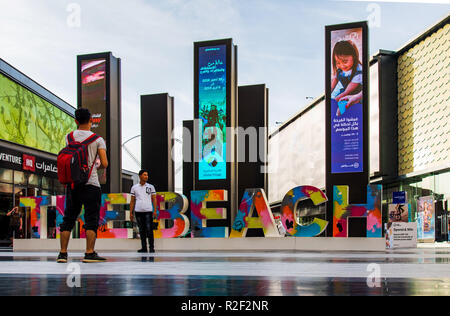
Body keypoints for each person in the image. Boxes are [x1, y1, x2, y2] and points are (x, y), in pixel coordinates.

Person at [57, 108, 108, 263]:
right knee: (91, 218)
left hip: (73, 184)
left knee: (69, 218)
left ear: (75, 121)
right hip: (91, 183)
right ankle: (89, 252)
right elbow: (105, 163)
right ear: (91, 120)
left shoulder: (69, 137)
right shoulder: (98, 139)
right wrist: (95, 165)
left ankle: (63, 254)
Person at [330, 40, 363, 116]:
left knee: (340, 108)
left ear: (354, 57)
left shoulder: (358, 71)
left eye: (345, 61)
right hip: (346, 94)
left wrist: (334, 101)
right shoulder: (339, 71)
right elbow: (332, 85)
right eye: (338, 63)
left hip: (356, 94)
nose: (342, 65)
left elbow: (347, 91)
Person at [130, 170, 157, 253]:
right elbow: (132, 201)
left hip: (148, 210)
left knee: (149, 229)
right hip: (138, 211)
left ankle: (151, 247)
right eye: (144, 175)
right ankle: (144, 247)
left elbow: (154, 198)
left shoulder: (150, 187)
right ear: (140, 176)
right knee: (141, 230)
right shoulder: (134, 187)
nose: (146, 176)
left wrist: (155, 210)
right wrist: (131, 213)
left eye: (147, 175)